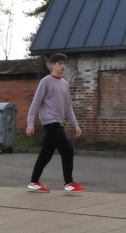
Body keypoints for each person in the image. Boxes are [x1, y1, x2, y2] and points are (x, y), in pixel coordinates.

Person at [26, 53, 85, 193]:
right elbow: (35, 103)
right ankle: (69, 182)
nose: (62, 66)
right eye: (59, 63)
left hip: (59, 121)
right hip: (50, 121)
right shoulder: (46, 81)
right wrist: (30, 123)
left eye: (64, 63)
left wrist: (75, 124)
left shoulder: (64, 83)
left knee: (46, 153)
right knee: (67, 150)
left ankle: (34, 182)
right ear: (52, 65)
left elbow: (68, 107)